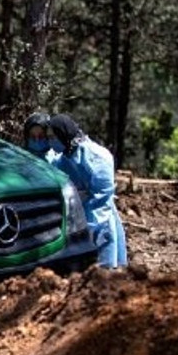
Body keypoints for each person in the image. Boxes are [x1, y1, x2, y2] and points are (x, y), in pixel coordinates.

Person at [48, 113, 129, 269]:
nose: (51, 142)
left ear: (63, 135)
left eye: (53, 137)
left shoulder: (98, 158)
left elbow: (100, 201)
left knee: (106, 267)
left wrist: (86, 231)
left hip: (99, 219)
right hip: (79, 216)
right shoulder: (63, 157)